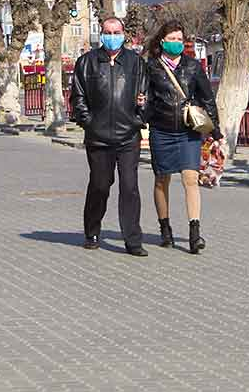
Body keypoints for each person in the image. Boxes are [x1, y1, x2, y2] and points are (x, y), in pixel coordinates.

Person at [70, 16, 149, 256]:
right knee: (100, 186)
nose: (112, 36)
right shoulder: (87, 62)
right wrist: (89, 122)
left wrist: (140, 114)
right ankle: (91, 231)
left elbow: (146, 94)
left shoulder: (135, 62)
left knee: (129, 187)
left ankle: (133, 240)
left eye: (116, 32)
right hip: (98, 137)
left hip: (128, 136)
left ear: (124, 34)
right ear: (101, 34)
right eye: (108, 32)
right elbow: (78, 97)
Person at [146, 20, 222, 254]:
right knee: (162, 180)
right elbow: (145, 98)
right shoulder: (152, 67)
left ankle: (194, 232)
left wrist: (215, 131)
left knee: (191, 179)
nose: (176, 43)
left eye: (180, 39)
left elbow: (207, 98)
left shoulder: (192, 67)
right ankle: (165, 228)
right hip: (161, 130)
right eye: (172, 39)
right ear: (162, 41)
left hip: (188, 132)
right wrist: (141, 115)